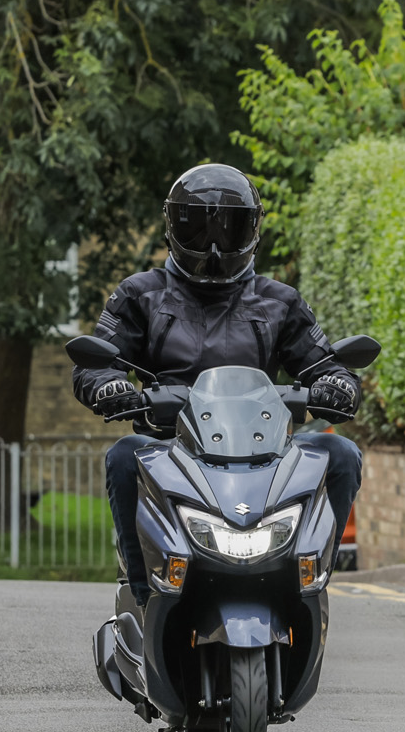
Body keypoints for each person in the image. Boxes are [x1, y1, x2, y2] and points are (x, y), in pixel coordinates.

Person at [73, 163, 362, 601]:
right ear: (173, 227)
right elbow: (96, 361)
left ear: (253, 231)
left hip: (264, 452)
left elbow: (324, 363)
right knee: (124, 456)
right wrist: (107, 386)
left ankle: (310, 578)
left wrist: (338, 383)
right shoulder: (139, 293)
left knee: (341, 453)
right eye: (198, 227)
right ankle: (142, 592)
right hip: (172, 448)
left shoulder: (279, 300)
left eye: (228, 229)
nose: (213, 245)